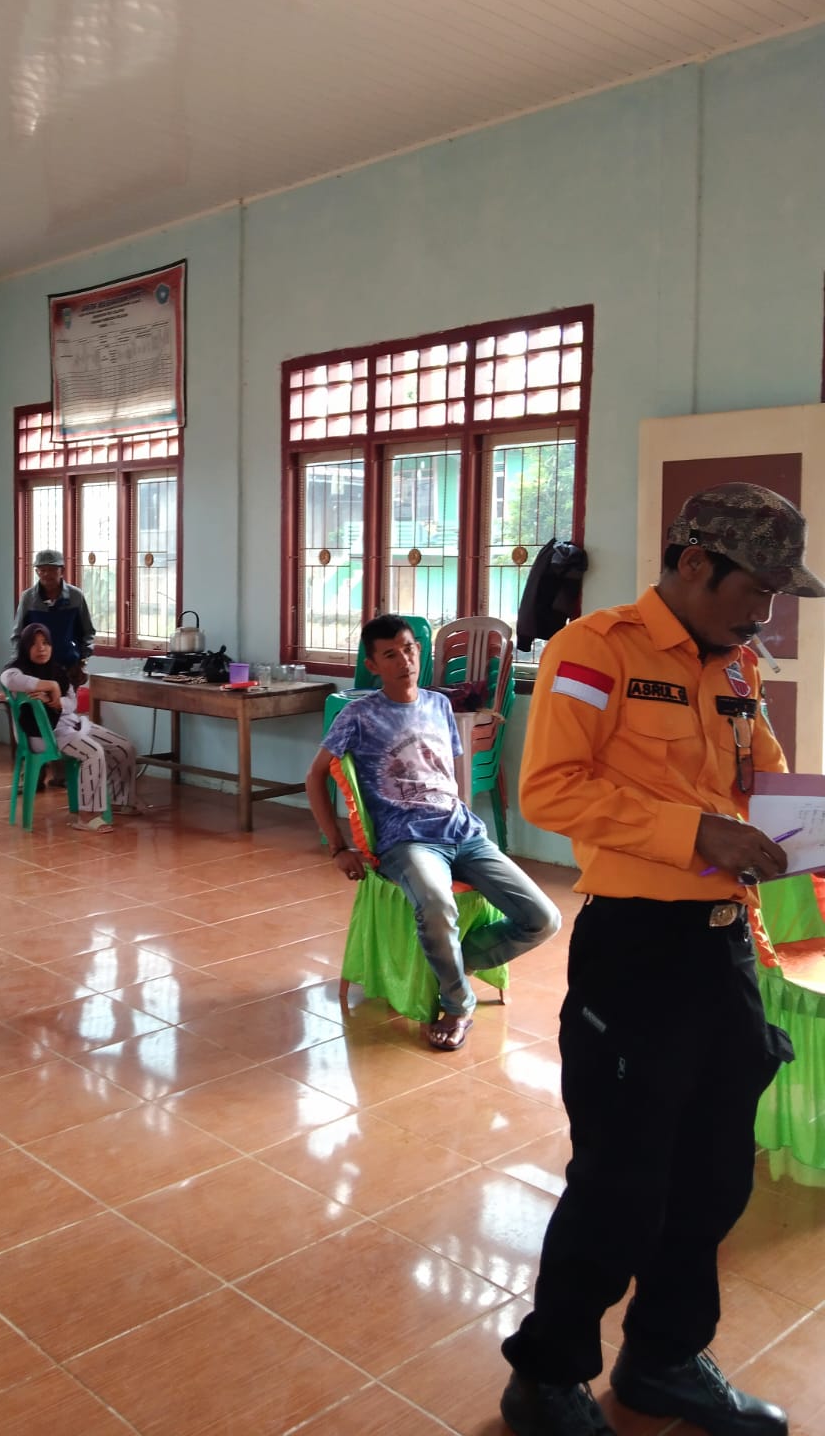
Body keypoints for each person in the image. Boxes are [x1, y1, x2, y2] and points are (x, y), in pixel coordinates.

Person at [498, 482, 813, 1436]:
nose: (765, 611)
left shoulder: (737, 665)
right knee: (622, 1180)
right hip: (636, 950)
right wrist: (698, 833)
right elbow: (552, 789)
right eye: (757, 588)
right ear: (694, 564)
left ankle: (665, 1358)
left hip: (725, 949)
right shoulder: (596, 651)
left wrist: (801, 826)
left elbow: (761, 779)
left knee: (715, 1173)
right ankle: (547, 1375)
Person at [305, 613, 561, 1051]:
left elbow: (448, 774)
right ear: (372, 665)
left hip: (463, 833)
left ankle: (449, 964)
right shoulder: (358, 715)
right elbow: (315, 776)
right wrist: (337, 847)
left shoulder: (440, 705)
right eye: (390, 654)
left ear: (418, 651)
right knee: (437, 904)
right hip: (407, 841)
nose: (404, 660)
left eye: (408, 649)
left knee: (543, 919)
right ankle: (457, 1005)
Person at [2, 622, 138, 833]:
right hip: (43, 734)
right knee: (93, 752)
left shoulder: (57, 670)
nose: (41, 649)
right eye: (34, 644)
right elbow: (9, 680)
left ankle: (120, 801)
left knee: (123, 747)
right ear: (24, 647)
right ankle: (87, 816)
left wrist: (54, 701)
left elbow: (71, 703)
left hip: (71, 724)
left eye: (46, 643)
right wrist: (51, 686)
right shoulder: (15, 671)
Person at [12, 548, 95, 677]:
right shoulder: (28, 598)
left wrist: (82, 662)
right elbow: (18, 635)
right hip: (35, 669)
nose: (47, 574)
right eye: (42, 570)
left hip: (68, 667)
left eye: (52, 569)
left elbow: (88, 633)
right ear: (37, 572)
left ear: (62, 571)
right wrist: (20, 665)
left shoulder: (76, 596)